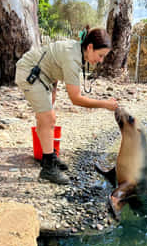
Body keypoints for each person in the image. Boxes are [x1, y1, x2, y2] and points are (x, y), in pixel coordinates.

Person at [15, 26, 118, 185]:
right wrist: (105, 104)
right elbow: (75, 98)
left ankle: (49, 157)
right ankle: (48, 168)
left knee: (47, 118)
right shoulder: (73, 58)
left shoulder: (77, 51)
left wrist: (53, 91)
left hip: (44, 76)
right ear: (90, 47)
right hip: (29, 73)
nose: (101, 60)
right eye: (100, 55)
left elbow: (53, 62)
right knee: (48, 118)